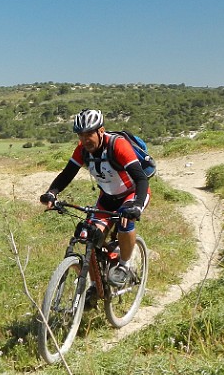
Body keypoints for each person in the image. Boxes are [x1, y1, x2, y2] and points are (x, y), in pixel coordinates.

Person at [39, 109, 150, 286]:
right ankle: (95, 284)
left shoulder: (118, 145)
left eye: (89, 133)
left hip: (131, 194)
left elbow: (141, 178)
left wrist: (136, 205)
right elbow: (67, 173)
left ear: (101, 130)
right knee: (91, 235)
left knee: (124, 223)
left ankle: (124, 266)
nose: (85, 139)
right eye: (81, 135)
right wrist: (52, 193)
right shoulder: (82, 150)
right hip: (107, 197)